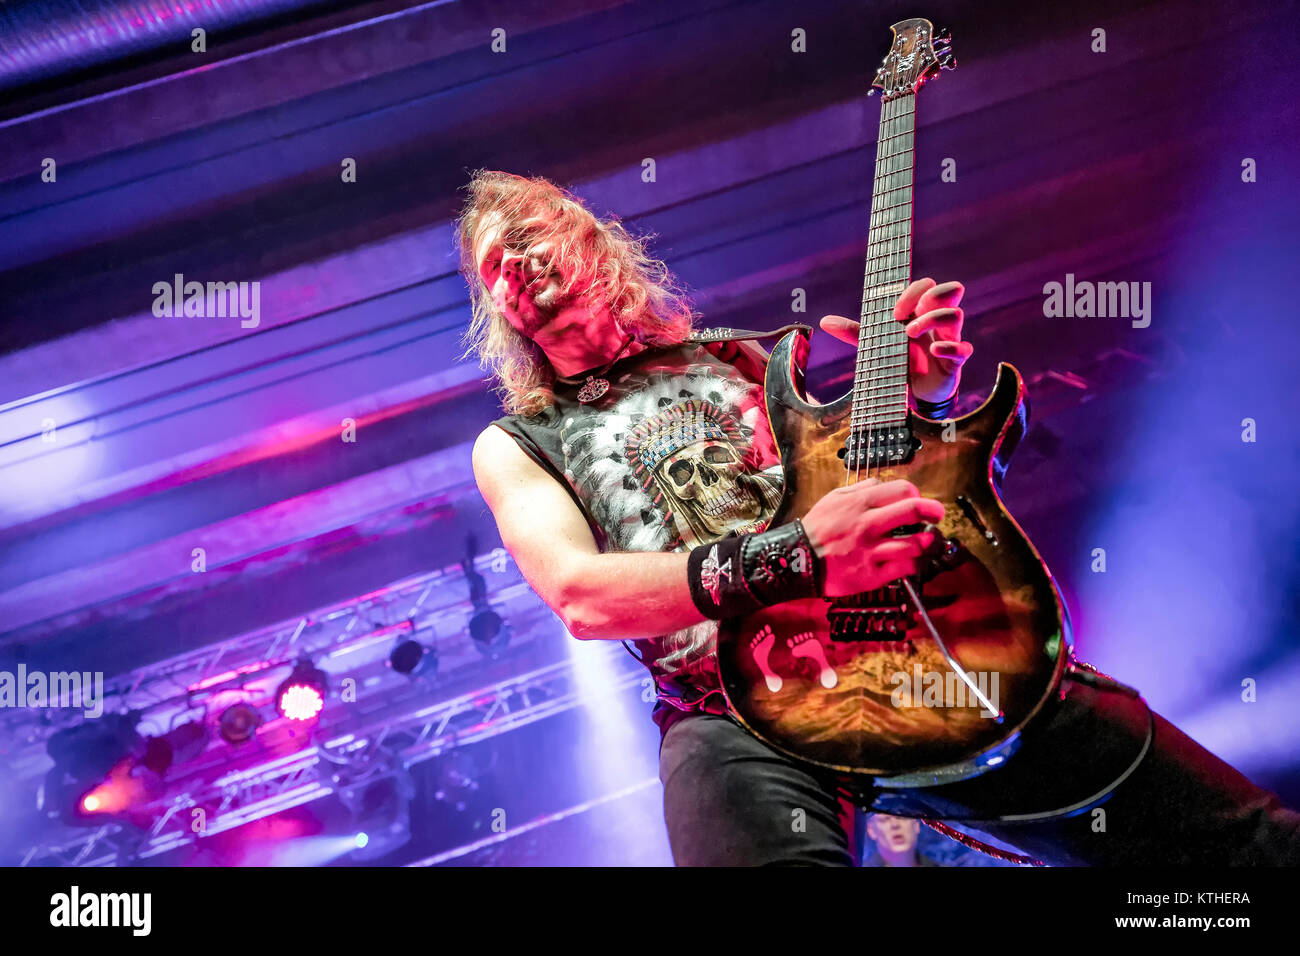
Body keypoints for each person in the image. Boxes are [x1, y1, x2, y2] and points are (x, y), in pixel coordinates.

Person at [458, 169, 1300, 866]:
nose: (518, 269)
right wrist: (795, 558)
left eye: (531, 240)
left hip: (910, 650)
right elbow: (582, 596)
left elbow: (861, 478)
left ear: (593, 243)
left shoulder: (748, 356)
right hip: (728, 714)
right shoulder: (517, 443)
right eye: (496, 265)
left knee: (1246, 847)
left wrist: (916, 388)